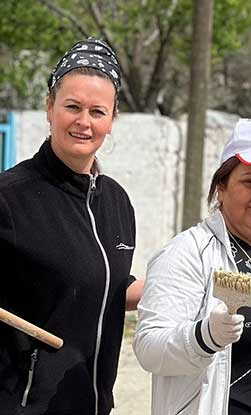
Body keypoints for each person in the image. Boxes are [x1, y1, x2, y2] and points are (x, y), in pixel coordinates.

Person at [134, 119, 251, 415]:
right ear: (221, 185)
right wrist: (204, 336)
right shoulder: (187, 252)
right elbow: (149, 349)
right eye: (250, 181)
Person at [0, 37, 143, 414]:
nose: (84, 121)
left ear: (112, 120)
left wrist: (176, 287)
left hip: (93, 404)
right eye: (72, 107)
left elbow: (97, 283)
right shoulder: (9, 198)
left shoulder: (117, 203)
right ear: (50, 108)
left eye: (97, 111)